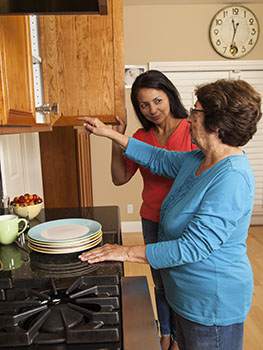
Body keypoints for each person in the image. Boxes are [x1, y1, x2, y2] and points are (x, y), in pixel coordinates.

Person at [78, 78, 262, 350]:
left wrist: (124, 252)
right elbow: (158, 158)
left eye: (195, 112)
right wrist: (110, 134)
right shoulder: (199, 159)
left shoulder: (232, 177)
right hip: (186, 299)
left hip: (211, 304)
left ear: (216, 124)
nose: (189, 119)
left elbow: (193, 247)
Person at [111, 70, 197, 350]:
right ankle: (165, 335)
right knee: (160, 284)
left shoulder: (191, 129)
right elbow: (119, 178)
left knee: (182, 284)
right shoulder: (139, 137)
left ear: (169, 96)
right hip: (152, 219)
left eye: (157, 100)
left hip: (185, 221)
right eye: (144, 105)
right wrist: (117, 139)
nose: (153, 110)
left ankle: (181, 338)